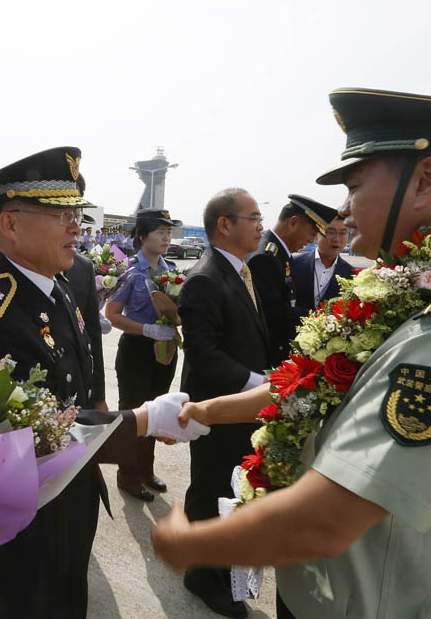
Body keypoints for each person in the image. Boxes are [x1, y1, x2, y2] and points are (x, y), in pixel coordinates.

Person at [153, 87, 431, 619]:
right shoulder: (415, 291)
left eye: (355, 186)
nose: (343, 211)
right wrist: (206, 410)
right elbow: (315, 384)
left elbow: (326, 520)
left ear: (427, 180)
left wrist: (191, 544)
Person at [0, 147, 208, 619]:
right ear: (10, 223)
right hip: (26, 517)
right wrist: (141, 420)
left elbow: (82, 380)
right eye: (61, 214)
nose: (77, 226)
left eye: (76, 214)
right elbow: (31, 436)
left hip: (72, 492)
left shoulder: (57, 284)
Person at [177, 188, 276, 618]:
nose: (260, 225)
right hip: (217, 408)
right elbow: (203, 353)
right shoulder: (204, 278)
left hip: (240, 407)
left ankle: (221, 572)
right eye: (253, 217)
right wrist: (260, 384)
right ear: (225, 224)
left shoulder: (239, 271)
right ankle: (201, 575)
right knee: (210, 488)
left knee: (230, 489)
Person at [105, 208, 182, 501]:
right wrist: (148, 330)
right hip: (137, 349)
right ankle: (128, 475)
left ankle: (146, 470)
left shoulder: (171, 268)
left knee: (156, 412)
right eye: (160, 232)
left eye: (168, 232)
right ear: (141, 236)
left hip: (165, 351)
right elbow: (111, 314)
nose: (166, 237)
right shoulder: (128, 271)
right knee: (133, 413)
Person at [247, 195, 337, 366]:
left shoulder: (280, 252)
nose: (312, 240)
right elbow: (274, 313)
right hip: (265, 355)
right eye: (312, 233)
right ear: (293, 222)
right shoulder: (265, 257)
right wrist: (320, 320)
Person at [291, 216, 354, 316]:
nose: (337, 239)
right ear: (316, 234)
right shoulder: (293, 264)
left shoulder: (352, 275)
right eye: (330, 232)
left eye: (343, 233)